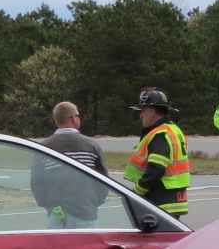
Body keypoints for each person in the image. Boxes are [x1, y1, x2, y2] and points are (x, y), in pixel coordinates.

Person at [30, 101, 110, 228]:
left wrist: (49, 205)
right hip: (86, 213)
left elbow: (36, 182)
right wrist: (93, 203)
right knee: (88, 248)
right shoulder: (91, 145)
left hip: (56, 214)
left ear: (56, 120)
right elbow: (104, 180)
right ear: (74, 118)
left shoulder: (44, 147)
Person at [124, 89, 191, 220]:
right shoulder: (174, 130)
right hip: (174, 199)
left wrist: (138, 190)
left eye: (143, 110)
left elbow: (157, 169)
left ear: (152, 111)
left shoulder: (159, 134)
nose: (141, 115)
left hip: (160, 201)